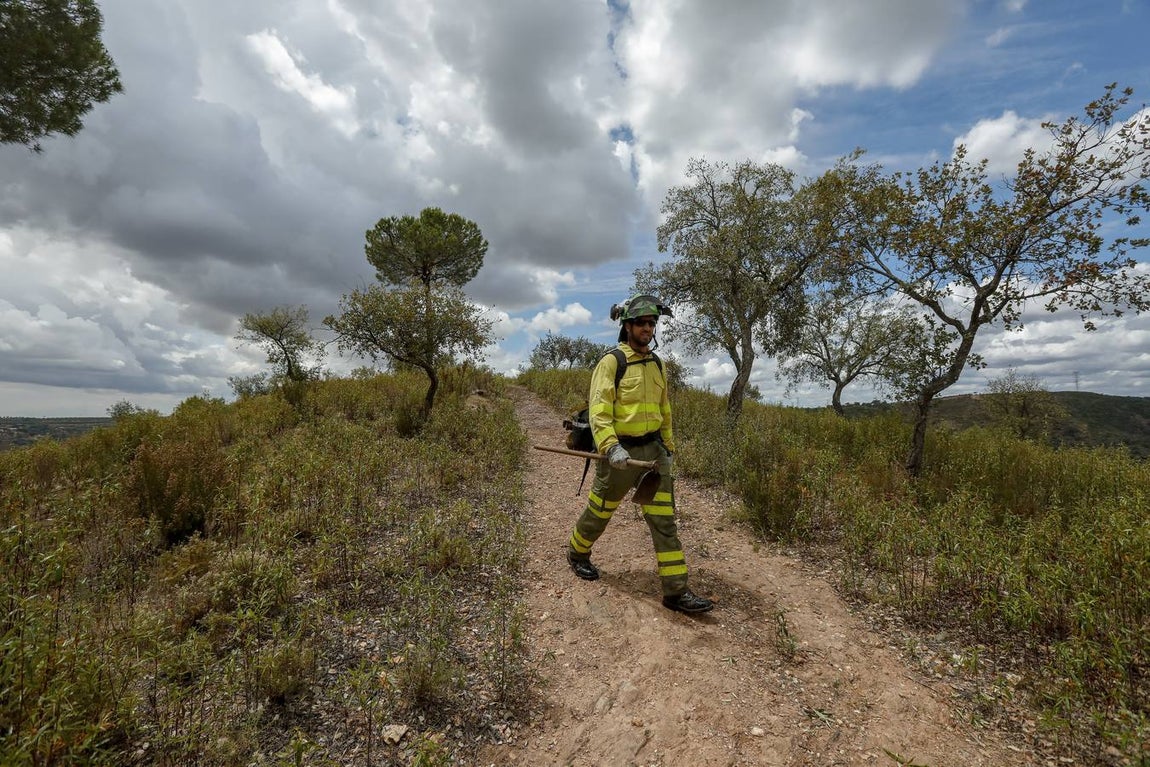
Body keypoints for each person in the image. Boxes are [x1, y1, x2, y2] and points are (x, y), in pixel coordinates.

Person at [565, 294, 714, 614]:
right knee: (600, 512)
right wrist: (610, 446)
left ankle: (676, 592)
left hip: (653, 454)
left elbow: (664, 409)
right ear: (627, 326)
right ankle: (577, 552)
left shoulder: (657, 364)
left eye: (652, 323)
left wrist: (669, 448)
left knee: (664, 522)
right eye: (642, 323)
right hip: (619, 453)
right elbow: (599, 413)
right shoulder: (612, 362)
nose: (648, 328)